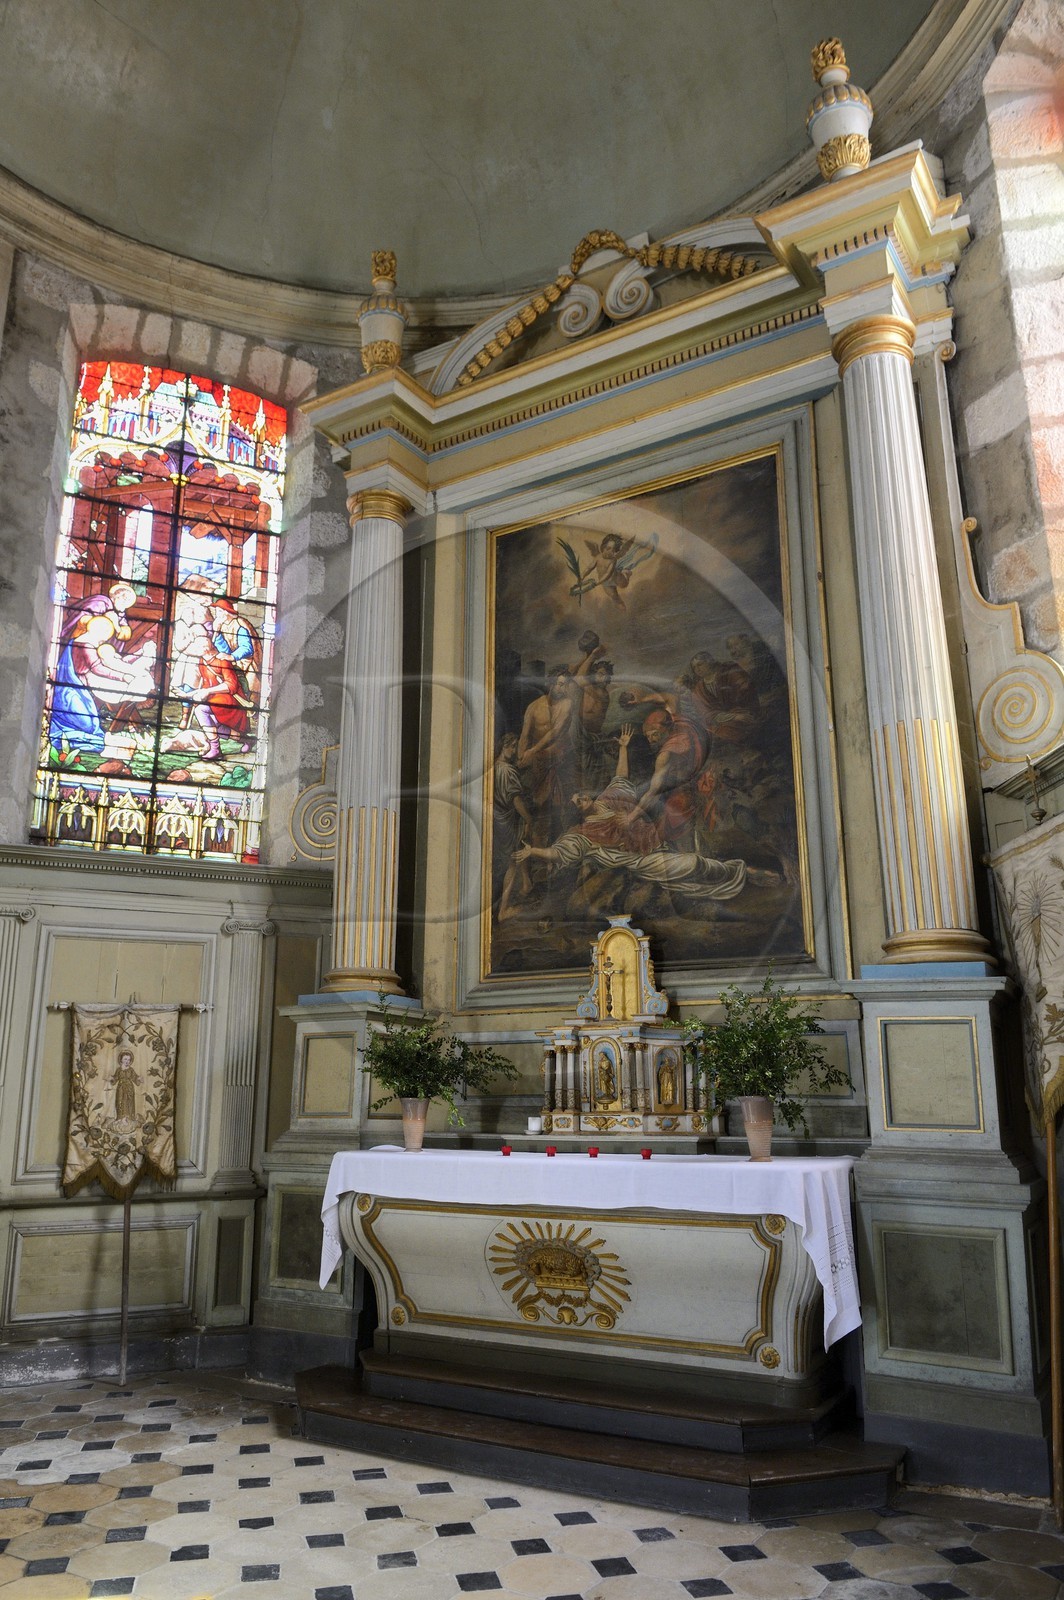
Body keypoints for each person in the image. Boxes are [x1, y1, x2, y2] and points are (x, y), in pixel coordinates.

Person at [49, 581, 156, 752]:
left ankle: (114, 732)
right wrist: (123, 676)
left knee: (91, 719)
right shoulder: (96, 613)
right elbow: (98, 667)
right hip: (71, 688)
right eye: (123, 598)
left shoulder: (112, 620)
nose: (105, 640)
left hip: (84, 682)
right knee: (85, 722)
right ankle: (105, 737)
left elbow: (112, 656)